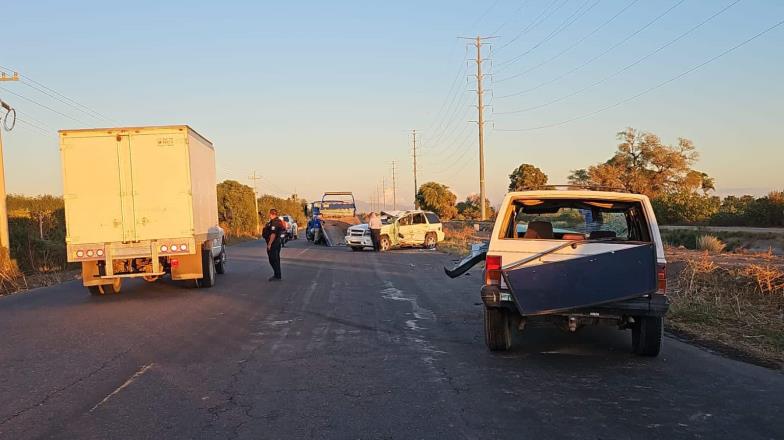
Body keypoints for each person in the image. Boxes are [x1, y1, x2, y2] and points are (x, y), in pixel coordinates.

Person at [262, 208, 286, 281]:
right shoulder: (273, 221)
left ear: (272, 214)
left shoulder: (275, 222)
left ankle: (277, 275)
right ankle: (277, 275)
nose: (268, 215)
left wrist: (269, 244)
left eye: (269, 213)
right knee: (275, 259)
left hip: (274, 243)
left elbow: (273, 234)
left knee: (273, 259)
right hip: (275, 243)